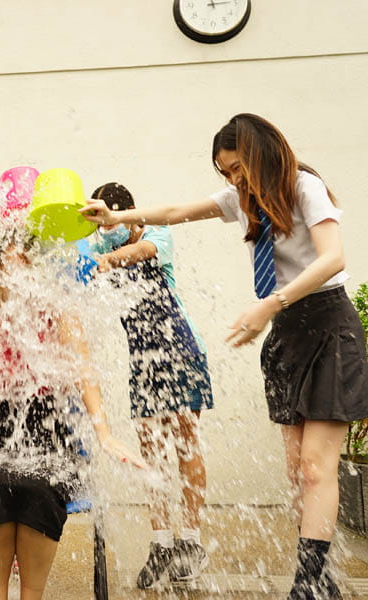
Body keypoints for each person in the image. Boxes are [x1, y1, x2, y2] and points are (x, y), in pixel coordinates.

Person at [81, 113, 368, 600]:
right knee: (296, 472)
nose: (234, 180)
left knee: (314, 469)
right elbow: (177, 211)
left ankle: (306, 584)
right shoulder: (243, 200)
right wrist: (117, 219)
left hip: (326, 325)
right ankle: (323, 579)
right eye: (226, 173)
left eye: (239, 168)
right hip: (287, 332)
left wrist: (271, 303)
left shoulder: (304, 187)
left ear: (262, 153)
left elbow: (333, 258)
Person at [0, 220, 145, 600]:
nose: (22, 263)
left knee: (38, 485)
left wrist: (104, 433)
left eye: (28, 255)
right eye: (13, 255)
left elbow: (84, 373)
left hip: (47, 428)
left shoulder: (56, 309)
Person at [88, 182, 213, 588]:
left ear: (126, 214)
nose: (105, 233)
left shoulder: (157, 235)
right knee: (150, 451)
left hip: (181, 351)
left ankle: (190, 542)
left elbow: (139, 254)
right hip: (143, 362)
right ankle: (160, 544)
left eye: (110, 223)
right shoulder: (99, 247)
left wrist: (107, 257)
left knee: (184, 442)